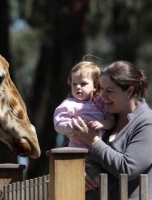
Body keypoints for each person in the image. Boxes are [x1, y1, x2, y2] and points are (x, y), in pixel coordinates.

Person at [71, 60, 152, 199]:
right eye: (101, 89)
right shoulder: (105, 118)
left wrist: (94, 141)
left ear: (129, 91)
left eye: (110, 91)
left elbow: (127, 168)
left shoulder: (148, 122)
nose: (102, 95)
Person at [53, 61, 115, 189]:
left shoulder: (101, 103)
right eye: (74, 84)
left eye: (83, 84)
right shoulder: (69, 103)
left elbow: (111, 121)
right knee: (84, 183)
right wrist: (72, 126)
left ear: (95, 85)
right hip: (77, 153)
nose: (78, 87)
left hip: (98, 151)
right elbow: (58, 123)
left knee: (104, 181)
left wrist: (102, 124)